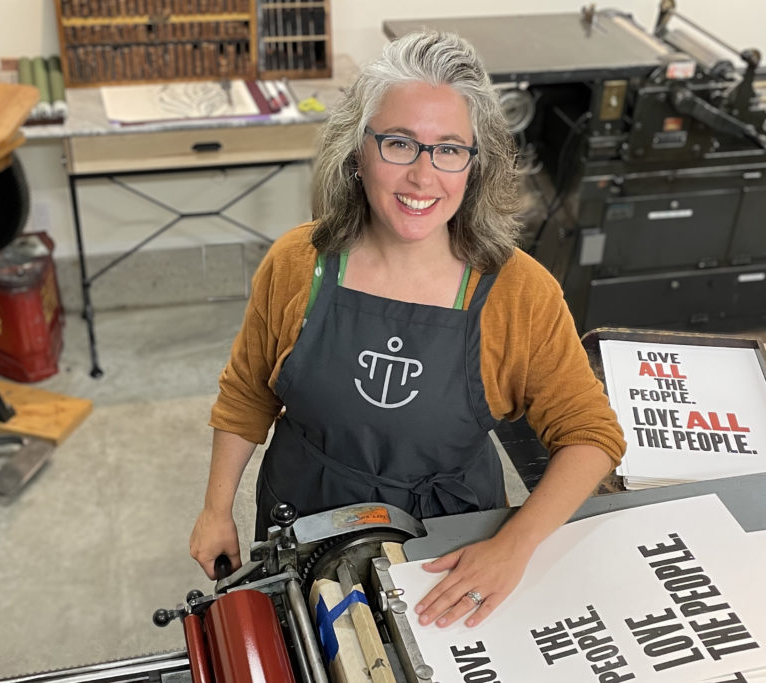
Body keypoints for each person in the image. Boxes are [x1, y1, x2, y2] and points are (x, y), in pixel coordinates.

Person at [189, 30, 626, 629]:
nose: (423, 177)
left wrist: (513, 545)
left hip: (445, 544)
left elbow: (591, 436)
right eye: (399, 143)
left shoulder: (518, 292)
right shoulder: (297, 264)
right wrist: (217, 509)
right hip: (304, 520)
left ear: (477, 164)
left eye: (449, 149)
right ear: (358, 151)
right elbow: (248, 393)